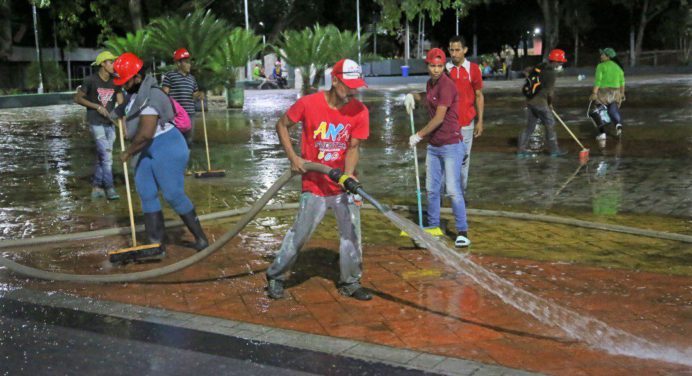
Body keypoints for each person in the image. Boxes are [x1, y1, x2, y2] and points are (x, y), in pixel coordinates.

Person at [266, 58, 371, 301]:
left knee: (352, 234)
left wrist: (348, 176)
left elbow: (354, 147)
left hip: (343, 183)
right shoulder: (308, 104)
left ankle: (350, 283)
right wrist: (293, 158)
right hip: (314, 183)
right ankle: (276, 275)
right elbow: (281, 125)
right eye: (347, 85)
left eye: (355, 85)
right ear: (334, 80)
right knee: (300, 234)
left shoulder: (360, 111)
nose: (352, 91)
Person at [113, 52, 209, 260]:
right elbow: (125, 114)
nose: (123, 86)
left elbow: (146, 133)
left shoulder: (152, 96)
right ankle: (156, 244)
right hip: (146, 149)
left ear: (137, 76)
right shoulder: (133, 96)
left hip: (167, 146)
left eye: (125, 81)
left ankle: (201, 238)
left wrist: (127, 153)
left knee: (173, 194)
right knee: (146, 191)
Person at [404, 48, 470, 248]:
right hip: (434, 146)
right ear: (428, 65)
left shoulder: (447, 85)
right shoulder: (430, 84)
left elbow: (440, 117)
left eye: (440, 66)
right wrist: (413, 96)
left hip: (451, 145)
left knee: (452, 190)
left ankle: (462, 231)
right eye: (432, 65)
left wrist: (418, 135)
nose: (436, 70)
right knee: (432, 190)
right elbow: (428, 96)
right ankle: (433, 228)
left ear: (444, 66)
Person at [74, 51, 124, 201]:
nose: (114, 65)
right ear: (103, 64)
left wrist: (122, 119)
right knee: (107, 155)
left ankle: (96, 187)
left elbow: (121, 104)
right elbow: (77, 98)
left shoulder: (116, 81)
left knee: (103, 155)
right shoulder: (90, 80)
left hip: (110, 122)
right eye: (111, 62)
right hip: (95, 121)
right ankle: (109, 187)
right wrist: (96, 106)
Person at [446, 35, 484, 195]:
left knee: (463, 160)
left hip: (467, 123)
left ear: (465, 50)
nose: (454, 53)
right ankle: (445, 192)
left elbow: (479, 95)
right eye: (451, 50)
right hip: (447, 124)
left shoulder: (473, 69)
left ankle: (460, 193)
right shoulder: (445, 69)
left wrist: (480, 121)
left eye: (457, 50)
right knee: (446, 158)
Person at [517, 49, 568, 158]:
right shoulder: (551, 73)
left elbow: (528, 74)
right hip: (540, 102)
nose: (561, 64)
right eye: (560, 62)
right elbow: (550, 92)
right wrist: (550, 103)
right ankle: (554, 150)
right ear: (556, 61)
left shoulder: (540, 66)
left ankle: (521, 151)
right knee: (550, 124)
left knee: (530, 127)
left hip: (530, 101)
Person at [161, 48, 203, 146]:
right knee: (175, 140)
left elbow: (194, 94)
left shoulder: (192, 78)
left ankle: (188, 159)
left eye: (189, 62)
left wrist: (199, 95)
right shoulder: (170, 76)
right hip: (176, 115)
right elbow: (164, 94)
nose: (189, 65)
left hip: (190, 114)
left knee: (189, 141)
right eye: (186, 62)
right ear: (178, 64)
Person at [591, 47, 625, 141]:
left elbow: (598, 81)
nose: (601, 56)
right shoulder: (618, 67)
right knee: (613, 110)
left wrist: (594, 93)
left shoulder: (601, 66)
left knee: (598, 111)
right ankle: (618, 126)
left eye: (603, 54)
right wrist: (622, 94)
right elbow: (622, 82)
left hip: (603, 92)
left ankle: (602, 133)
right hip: (616, 92)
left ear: (608, 56)